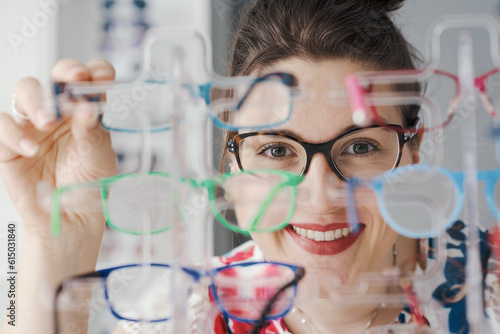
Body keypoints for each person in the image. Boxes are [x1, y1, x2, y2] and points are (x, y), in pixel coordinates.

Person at [0, 0, 496, 333]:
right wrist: (57, 240)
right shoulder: (180, 314)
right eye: (277, 151)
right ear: (228, 165)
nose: (321, 196)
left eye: (362, 147)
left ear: (413, 152)